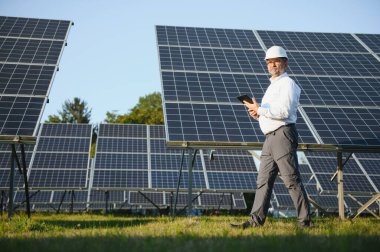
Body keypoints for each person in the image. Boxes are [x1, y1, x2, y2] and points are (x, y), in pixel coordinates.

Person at [231, 46, 312, 229]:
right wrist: (258, 114)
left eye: (277, 61)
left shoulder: (288, 84)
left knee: (291, 179)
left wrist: (260, 110)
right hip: (269, 138)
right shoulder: (273, 86)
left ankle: (305, 222)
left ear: (285, 63)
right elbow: (271, 113)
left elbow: (285, 111)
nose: (273, 64)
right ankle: (255, 221)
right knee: (263, 181)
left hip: (283, 135)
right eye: (269, 62)